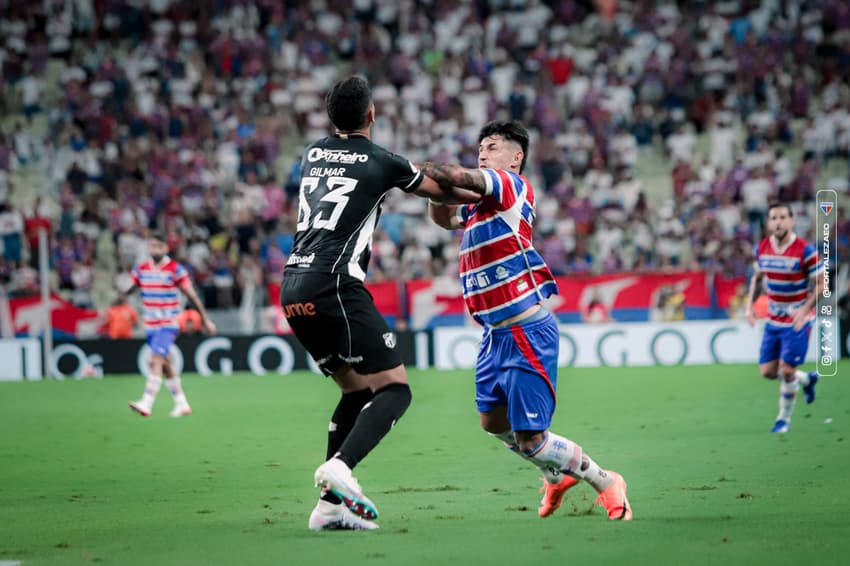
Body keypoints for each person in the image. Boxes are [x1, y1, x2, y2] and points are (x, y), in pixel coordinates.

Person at [279, 76, 476, 532]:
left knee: (354, 390)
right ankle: (341, 468)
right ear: (372, 115)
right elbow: (440, 187)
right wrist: (487, 196)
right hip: (335, 285)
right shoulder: (381, 161)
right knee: (395, 388)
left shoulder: (313, 153)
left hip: (293, 287)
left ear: (330, 118)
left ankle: (329, 509)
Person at [421, 120, 632, 521]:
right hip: (494, 335)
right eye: (480, 146)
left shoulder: (511, 186)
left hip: (526, 331)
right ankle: (556, 476)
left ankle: (606, 481)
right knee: (493, 424)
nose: (483, 151)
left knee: (532, 439)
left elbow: (447, 174)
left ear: (516, 157)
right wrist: (435, 192)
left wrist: (407, 172)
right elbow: (443, 218)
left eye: (493, 146)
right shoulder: (481, 203)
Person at [745, 203, 822, 433]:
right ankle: (807, 379)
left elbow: (821, 284)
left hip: (797, 319)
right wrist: (750, 307)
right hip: (773, 319)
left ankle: (783, 420)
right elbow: (758, 279)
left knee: (786, 370)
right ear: (769, 223)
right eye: (773, 218)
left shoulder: (805, 250)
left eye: (782, 217)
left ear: (791, 221)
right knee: (767, 372)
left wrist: (804, 308)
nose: (778, 222)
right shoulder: (762, 248)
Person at [126, 231, 217, 418]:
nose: (155, 249)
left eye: (159, 246)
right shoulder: (142, 270)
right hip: (150, 325)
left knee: (155, 360)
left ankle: (147, 402)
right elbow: (130, 287)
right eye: (152, 245)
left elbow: (192, 295)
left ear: (166, 248)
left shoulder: (175, 269)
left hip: (167, 323)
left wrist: (205, 319)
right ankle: (182, 403)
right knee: (166, 364)